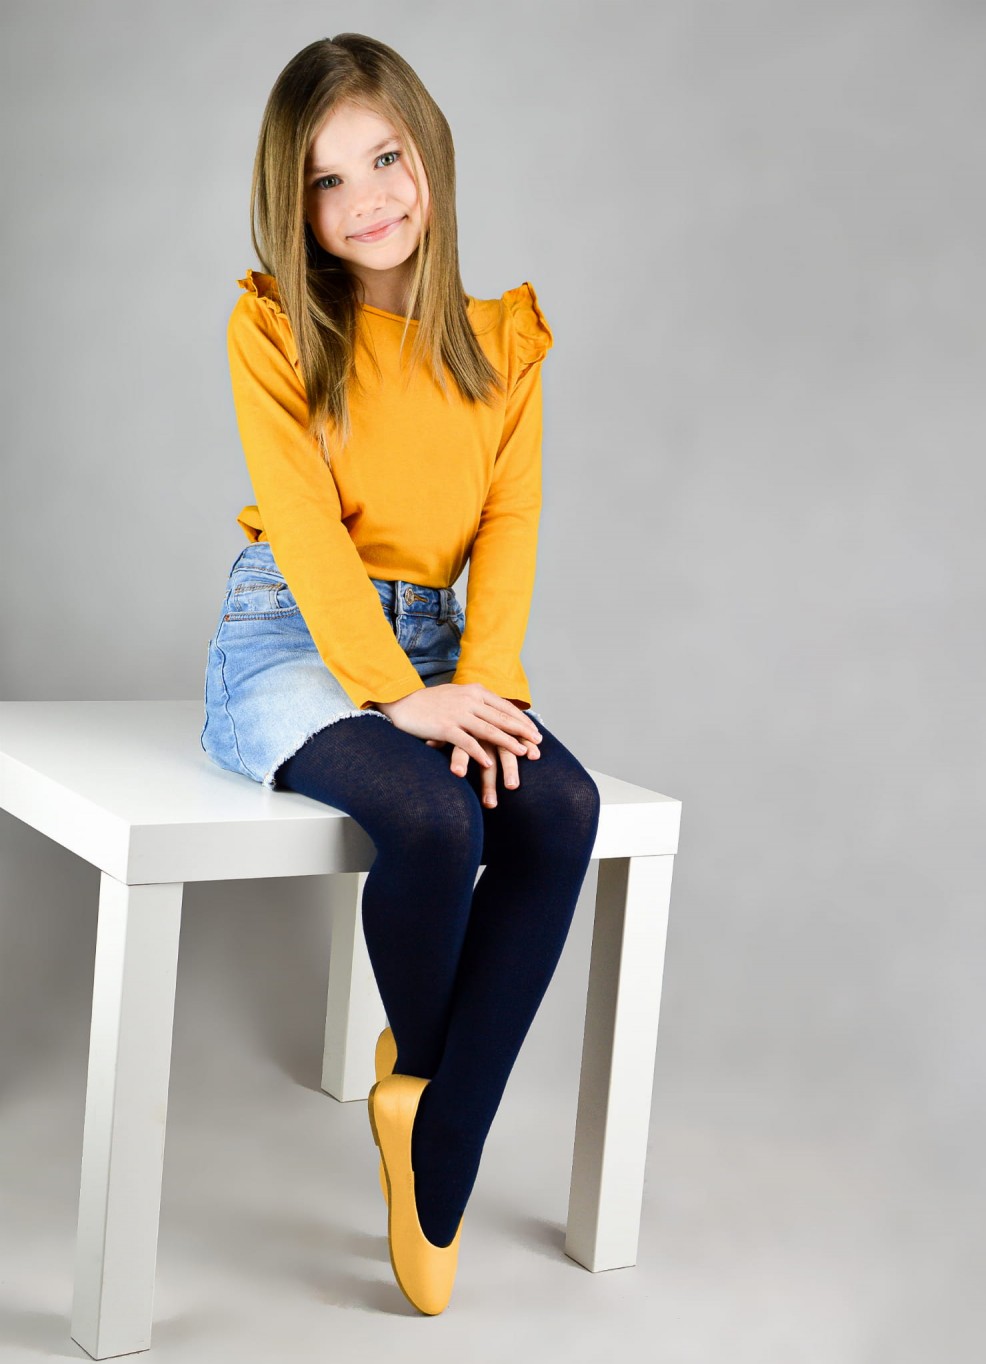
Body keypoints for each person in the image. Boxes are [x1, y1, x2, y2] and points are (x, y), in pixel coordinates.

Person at [200, 32, 600, 1316]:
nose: (367, 197)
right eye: (328, 180)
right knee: (433, 818)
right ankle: (444, 1140)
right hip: (291, 636)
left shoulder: (503, 343)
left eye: (385, 158)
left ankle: (426, 1111)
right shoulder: (274, 328)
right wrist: (393, 693)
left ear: (429, 154)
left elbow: (510, 524)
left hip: (436, 642)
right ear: (295, 203)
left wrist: (486, 682)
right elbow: (304, 529)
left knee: (560, 805)